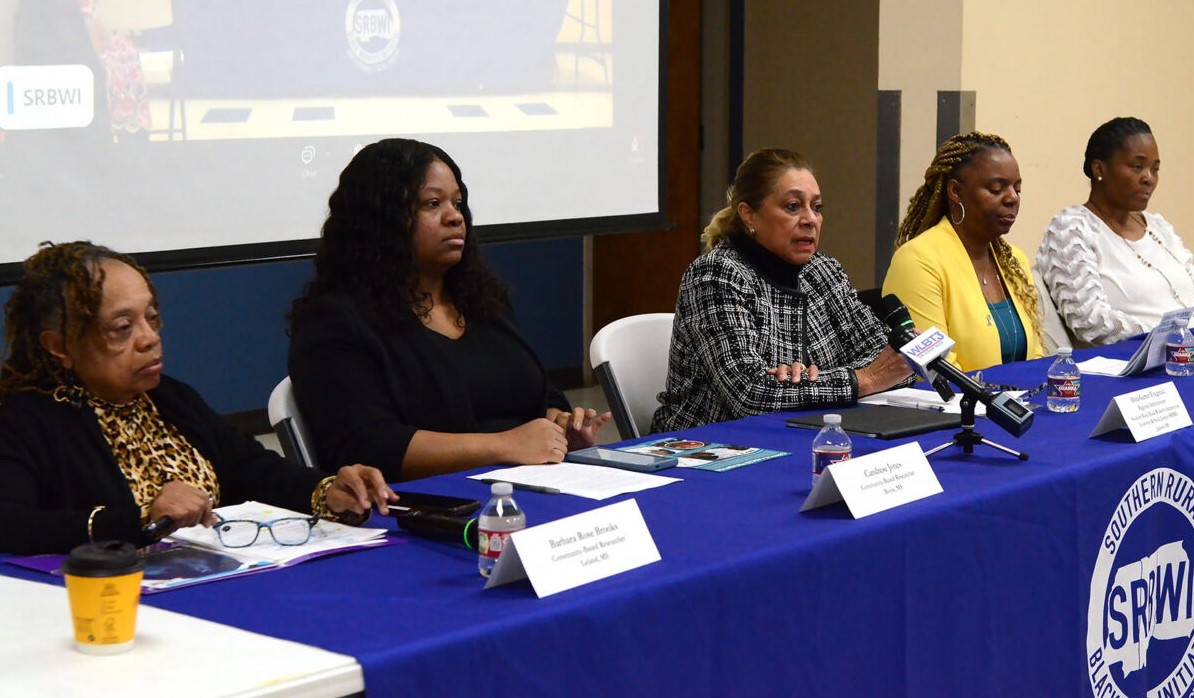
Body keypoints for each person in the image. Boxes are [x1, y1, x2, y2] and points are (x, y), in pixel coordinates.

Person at [0, 242, 397, 555]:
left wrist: (326, 491)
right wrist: (139, 519)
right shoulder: (24, 419)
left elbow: (253, 469)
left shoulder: (169, 398)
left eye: (151, 318)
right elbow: (12, 523)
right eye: (122, 328)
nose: (149, 338)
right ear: (59, 346)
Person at [288, 138, 610, 481]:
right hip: (426, 499)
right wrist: (504, 445)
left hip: (529, 483)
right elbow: (368, 444)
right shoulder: (334, 322)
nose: (455, 217)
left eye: (457, 203)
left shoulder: (481, 302)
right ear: (380, 219)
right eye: (432, 203)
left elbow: (537, 390)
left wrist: (559, 423)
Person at [651, 148, 915, 432]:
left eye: (817, 207)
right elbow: (749, 394)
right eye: (793, 206)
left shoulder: (823, 270)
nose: (810, 219)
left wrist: (813, 381)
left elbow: (891, 362)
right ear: (749, 215)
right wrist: (863, 380)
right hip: (710, 441)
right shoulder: (716, 275)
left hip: (805, 429)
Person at [883, 132, 1043, 373]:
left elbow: (1036, 357)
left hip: (1019, 396)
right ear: (956, 191)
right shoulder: (918, 261)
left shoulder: (1014, 260)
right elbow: (936, 371)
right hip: (954, 398)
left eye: (1017, 189)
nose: (1012, 198)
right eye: (996, 188)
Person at [1036, 117, 1194, 346]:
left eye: (1155, 169)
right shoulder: (1072, 228)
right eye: (1137, 166)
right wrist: (1172, 335)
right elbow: (1089, 321)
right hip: (1142, 359)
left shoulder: (1158, 227)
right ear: (1099, 169)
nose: (1149, 178)